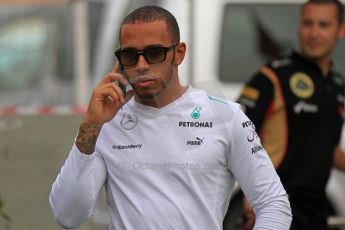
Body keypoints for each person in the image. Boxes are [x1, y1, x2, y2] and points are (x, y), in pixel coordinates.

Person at [49, 5, 291, 230]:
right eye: (130, 56)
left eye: (154, 53)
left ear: (179, 53)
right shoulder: (105, 124)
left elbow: (273, 203)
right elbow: (67, 216)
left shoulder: (226, 116)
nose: (141, 65)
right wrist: (90, 126)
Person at [237, 0, 345, 229]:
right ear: (299, 26)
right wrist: (249, 193)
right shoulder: (272, 76)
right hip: (274, 208)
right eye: (308, 23)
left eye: (323, 25)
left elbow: (325, 147)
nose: (314, 33)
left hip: (316, 211)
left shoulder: (337, 86)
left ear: (341, 30)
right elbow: (234, 136)